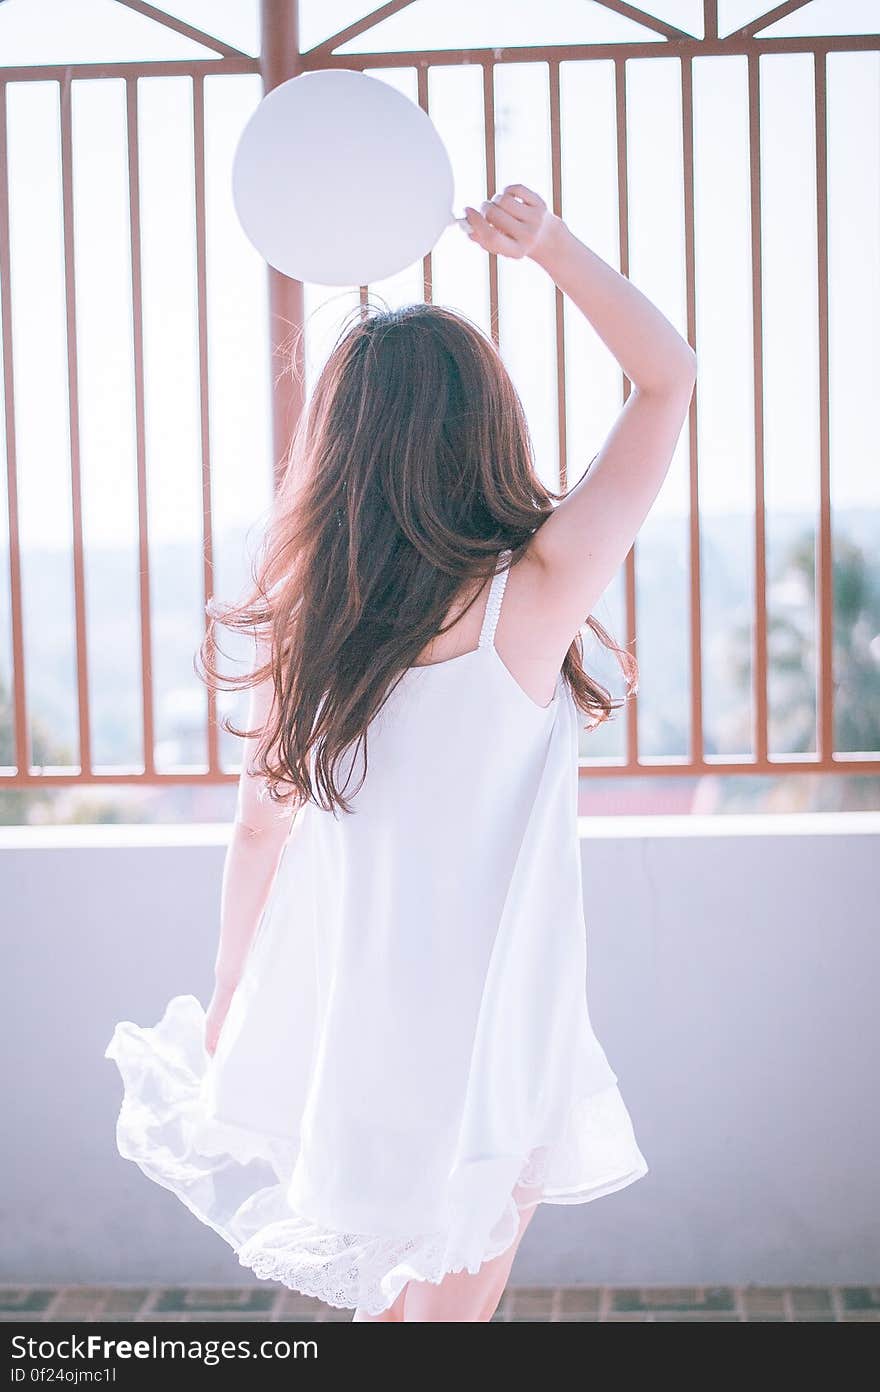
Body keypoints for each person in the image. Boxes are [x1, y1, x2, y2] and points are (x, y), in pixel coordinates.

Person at [106, 184, 696, 1322]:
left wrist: (232, 995)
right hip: (488, 1045)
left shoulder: (308, 634)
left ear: (338, 447)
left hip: (353, 1042)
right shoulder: (530, 597)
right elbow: (666, 377)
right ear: (488, 431)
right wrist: (552, 249)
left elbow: (258, 829)